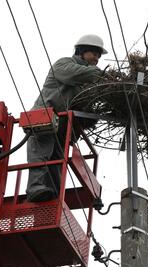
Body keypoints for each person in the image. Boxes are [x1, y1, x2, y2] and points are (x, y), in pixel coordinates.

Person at [26, 34, 107, 202]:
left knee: (57, 165)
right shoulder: (64, 64)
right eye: (94, 54)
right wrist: (103, 76)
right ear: (82, 51)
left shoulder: (87, 83)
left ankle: (53, 200)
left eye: (99, 56)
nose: (97, 59)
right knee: (42, 152)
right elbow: (76, 75)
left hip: (62, 130)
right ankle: (35, 188)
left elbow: (85, 102)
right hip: (45, 118)